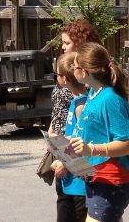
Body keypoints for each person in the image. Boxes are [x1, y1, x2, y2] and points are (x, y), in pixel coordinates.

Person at [68, 42, 129, 222]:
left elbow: (127, 144)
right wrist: (71, 140)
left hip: (110, 183)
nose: (72, 69)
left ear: (84, 72)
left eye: (74, 66)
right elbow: (93, 130)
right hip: (95, 178)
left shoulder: (109, 99)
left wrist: (91, 149)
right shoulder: (93, 93)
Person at [50, 20, 100, 219]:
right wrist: (52, 136)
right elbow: (58, 110)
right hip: (63, 150)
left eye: (67, 42)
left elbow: (84, 134)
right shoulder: (76, 96)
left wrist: (66, 160)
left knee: (76, 210)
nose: (63, 46)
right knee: (64, 203)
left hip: (73, 158)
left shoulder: (85, 93)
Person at [50, 52, 88, 222]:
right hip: (72, 180)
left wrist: (64, 161)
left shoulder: (81, 106)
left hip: (80, 183)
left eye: (56, 74)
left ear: (64, 79)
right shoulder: (74, 102)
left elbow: (85, 144)